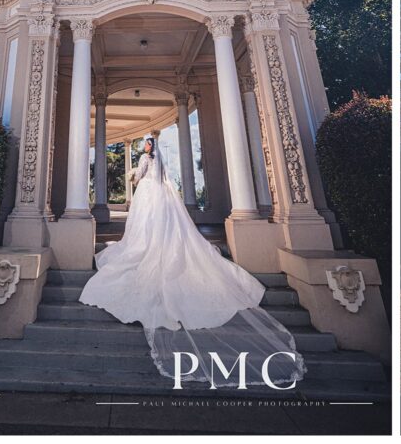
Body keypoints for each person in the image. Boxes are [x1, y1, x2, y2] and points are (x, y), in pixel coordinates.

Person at [79, 135, 306, 389]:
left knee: (144, 228)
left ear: (148, 146)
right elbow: (160, 176)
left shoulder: (144, 159)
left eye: (145, 143)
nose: (144, 146)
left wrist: (132, 173)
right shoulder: (161, 161)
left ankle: (148, 248)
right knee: (162, 226)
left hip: (146, 194)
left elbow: (139, 176)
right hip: (161, 195)